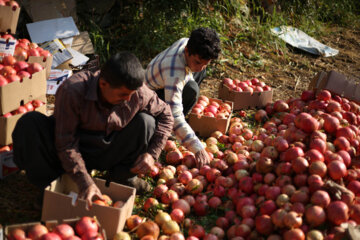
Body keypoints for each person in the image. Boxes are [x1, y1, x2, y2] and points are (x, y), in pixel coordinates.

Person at [12, 52, 174, 207]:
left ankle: (123, 178)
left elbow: (167, 115)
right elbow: (66, 143)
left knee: (146, 122)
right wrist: (85, 182)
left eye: (131, 94)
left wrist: (152, 154)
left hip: (108, 148)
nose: (128, 99)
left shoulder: (137, 93)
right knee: (30, 124)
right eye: (123, 94)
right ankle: (52, 187)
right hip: (75, 147)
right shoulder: (73, 90)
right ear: (103, 84)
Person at [145, 27, 221, 167]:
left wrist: (200, 64)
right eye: (198, 62)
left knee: (199, 73)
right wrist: (197, 148)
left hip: (166, 79)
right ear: (187, 51)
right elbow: (175, 115)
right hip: (151, 95)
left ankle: (179, 127)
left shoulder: (189, 43)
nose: (201, 67)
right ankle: (165, 129)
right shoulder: (174, 74)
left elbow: (199, 64)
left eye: (206, 63)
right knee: (191, 91)